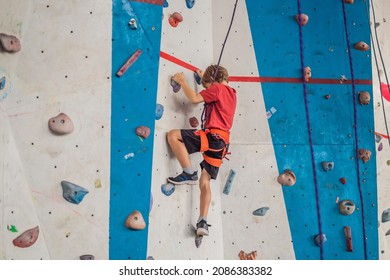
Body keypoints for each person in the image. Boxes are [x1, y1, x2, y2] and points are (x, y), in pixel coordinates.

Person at [166, 64, 237, 236]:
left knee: (173, 135)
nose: (207, 90)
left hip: (211, 137)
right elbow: (213, 97)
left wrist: (183, 81)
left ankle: (188, 172)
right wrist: (205, 78)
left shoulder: (217, 88)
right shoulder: (232, 94)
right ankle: (202, 221)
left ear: (215, 81)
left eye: (207, 86)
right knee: (204, 182)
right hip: (222, 144)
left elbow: (195, 99)